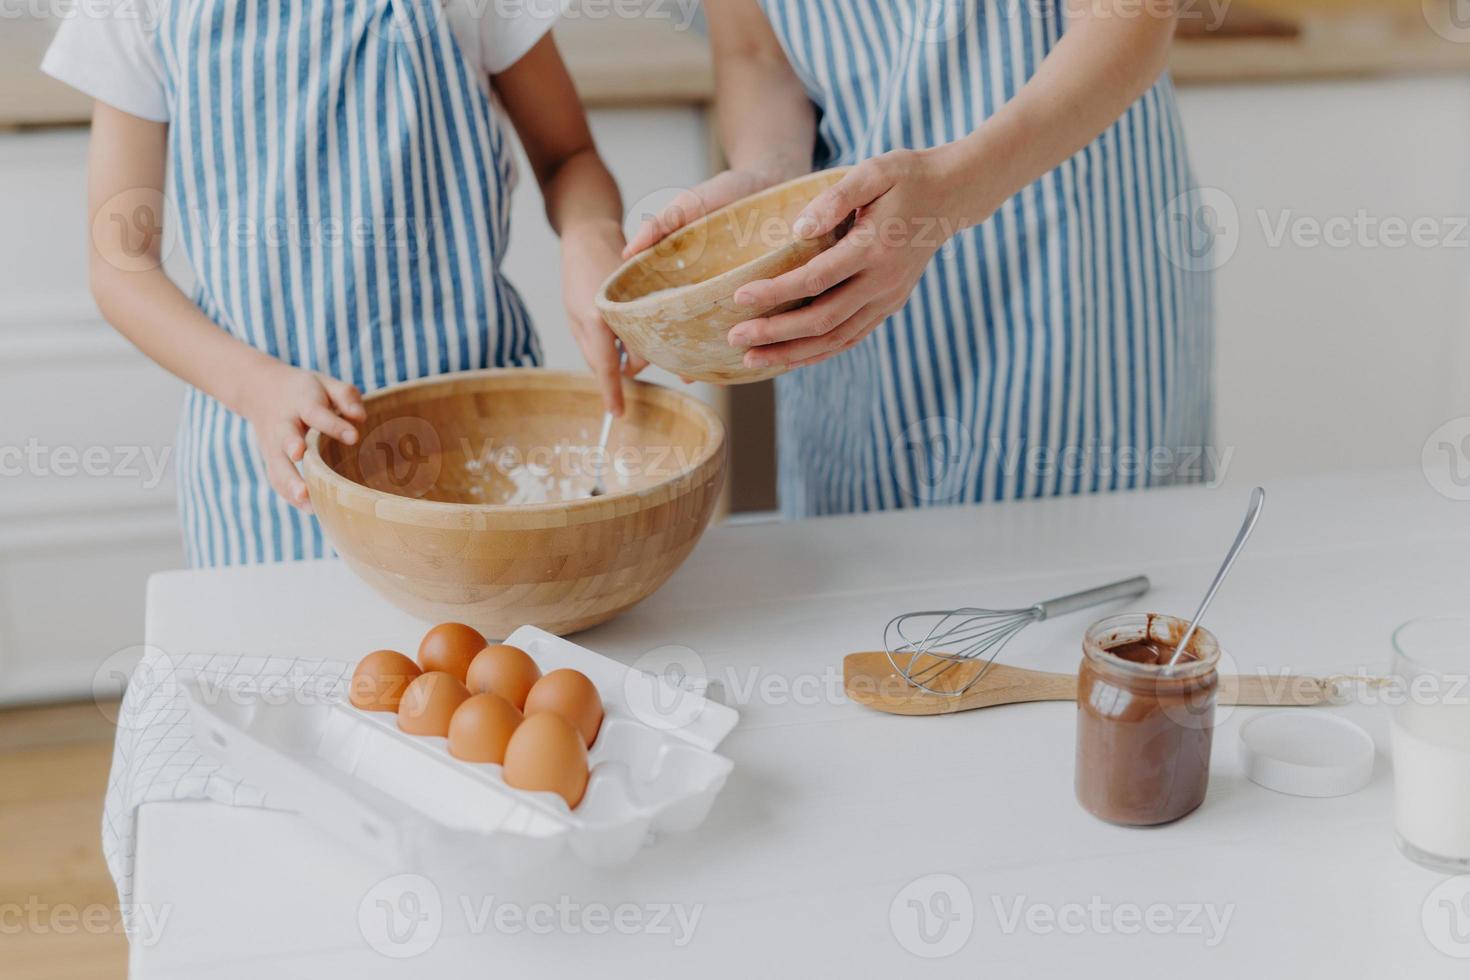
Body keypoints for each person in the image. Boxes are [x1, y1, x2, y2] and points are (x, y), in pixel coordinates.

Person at [43, 0, 641, 566]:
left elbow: (569, 158)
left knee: (481, 671)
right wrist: (256, 387)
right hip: (267, 479)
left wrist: (591, 236)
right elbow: (121, 265)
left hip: (484, 447)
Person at [627, 0, 1214, 516]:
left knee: (1088, 591)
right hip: (850, 263)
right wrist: (769, 173)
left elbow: (1130, 17)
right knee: (866, 602)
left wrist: (957, 186)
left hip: (1069, 246)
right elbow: (755, 54)